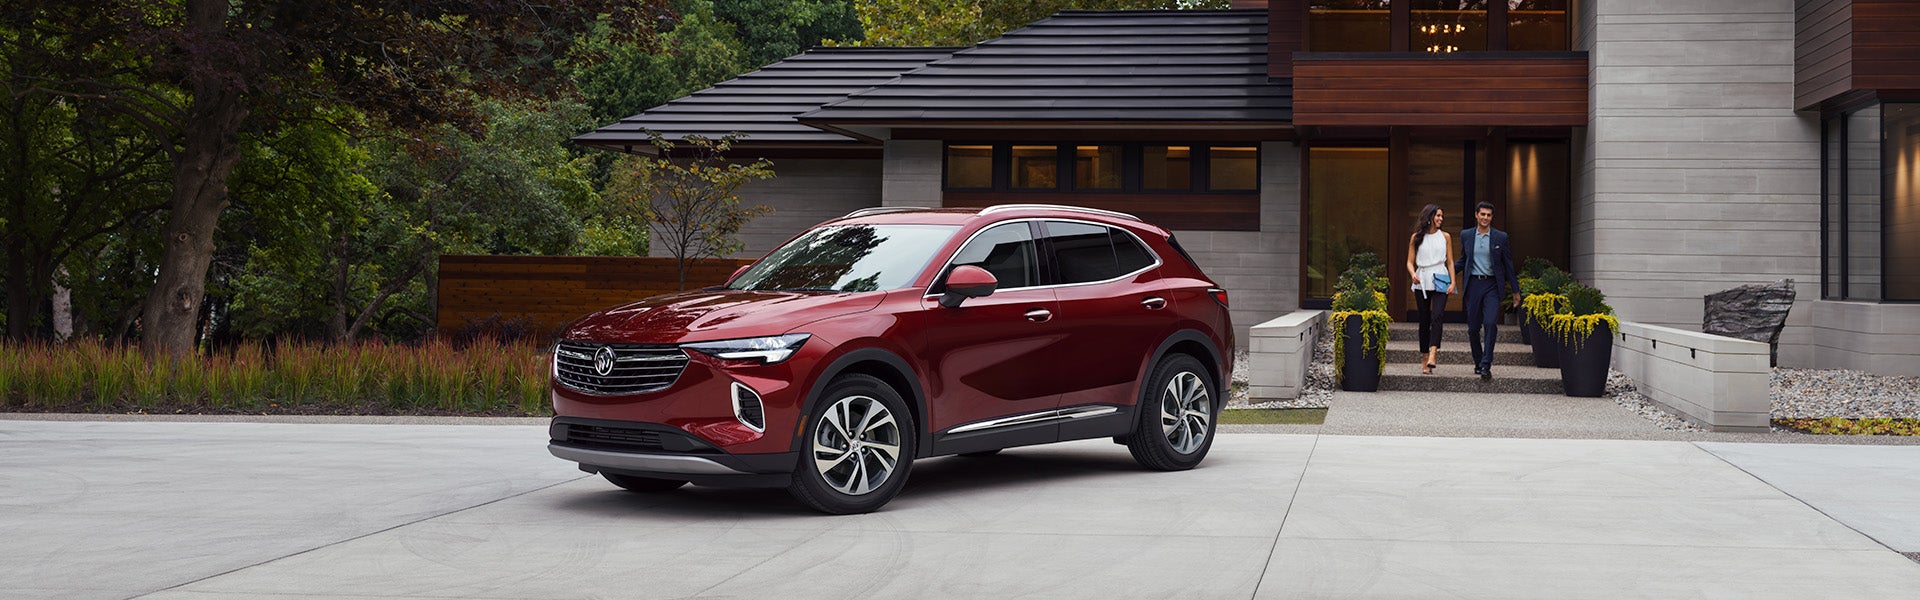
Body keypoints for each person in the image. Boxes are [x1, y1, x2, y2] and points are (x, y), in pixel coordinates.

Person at [1454, 201, 1521, 381]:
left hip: (1492, 286)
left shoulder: (1501, 237)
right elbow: (1463, 260)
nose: (1485, 218)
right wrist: (1448, 274)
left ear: (1492, 217)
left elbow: (1508, 265)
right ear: (1476, 215)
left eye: (1488, 215)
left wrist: (1515, 291)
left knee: (1490, 323)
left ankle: (1486, 364)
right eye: (1482, 214)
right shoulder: (1466, 235)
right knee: (1473, 329)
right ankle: (1478, 361)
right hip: (1473, 286)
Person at [1405, 204, 1456, 375]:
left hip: (1440, 277)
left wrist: (1453, 282)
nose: (1441, 219)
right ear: (1429, 217)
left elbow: (1449, 261)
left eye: (1442, 216)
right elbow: (1409, 262)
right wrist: (1413, 274)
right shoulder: (1416, 237)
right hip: (1422, 278)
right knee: (1424, 319)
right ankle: (1424, 356)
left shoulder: (1446, 237)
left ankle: (1434, 351)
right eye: (1438, 216)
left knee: (1438, 315)